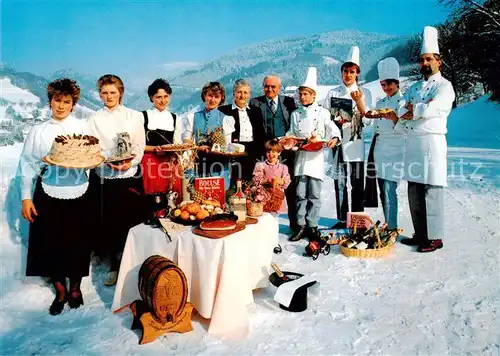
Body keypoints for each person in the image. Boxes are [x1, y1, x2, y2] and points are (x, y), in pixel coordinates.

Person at [17, 78, 91, 315]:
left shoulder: (82, 128)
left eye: (66, 101)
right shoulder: (38, 131)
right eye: (57, 100)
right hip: (48, 192)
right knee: (51, 244)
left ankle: (76, 289)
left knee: (77, 243)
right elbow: (27, 166)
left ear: (73, 104)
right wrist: (26, 198)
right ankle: (60, 289)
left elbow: (93, 154)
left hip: (79, 190)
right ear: (50, 101)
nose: (61, 106)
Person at [398, 26, 455, 253]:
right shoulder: (413, 86)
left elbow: (438, 107)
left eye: (429, 59)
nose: (424, 63)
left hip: (432, 141)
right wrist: (413, 110)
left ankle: (435, 236)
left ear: (439, 61)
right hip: (413, 142)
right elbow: (403, 107)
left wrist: (417, 109)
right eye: (421, 60)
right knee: (414, 190)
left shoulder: (445, 86)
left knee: (432, 189)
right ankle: (420, 233)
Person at [88, 74, 146, 286]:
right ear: (100, 94)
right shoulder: (93, 119)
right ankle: (114, 265)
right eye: (104, 92)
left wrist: (130, 163)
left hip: (130, 175)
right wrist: (105, 163)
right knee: (110, 224)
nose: (109, 96)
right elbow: (91, 149)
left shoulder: (134, 116)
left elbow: (139, 146)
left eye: (113, 92)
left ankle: (134, 266)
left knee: (132, 221)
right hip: (106, 176)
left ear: (121, 92)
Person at [285, 70, 341, 241]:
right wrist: (290, 140)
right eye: (300, 94)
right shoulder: (295, 114)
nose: (302, 97)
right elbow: (291, 133)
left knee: (315, 196)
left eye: (305, 94)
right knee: (300, 194)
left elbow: (333, 129)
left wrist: (335, 138)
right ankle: (301, 226)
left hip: (316, 159)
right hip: (301, 159)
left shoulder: (323, 113)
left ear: (313, 95)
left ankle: (313, 227)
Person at [323, 46, 373, 229]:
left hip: (355, 145)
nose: (348, 75)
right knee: (340, 184)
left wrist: (359, 109)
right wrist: (334, 123)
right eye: (345, 71)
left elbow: (368, 121)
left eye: (352, 72)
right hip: (338, 144)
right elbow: (325, 118)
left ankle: (358, 221)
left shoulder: (365, 93)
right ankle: (343, 219)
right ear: (341, 72)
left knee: (357, 184)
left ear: (357, 73)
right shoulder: (333, 93)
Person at [249, 75, 298, 231]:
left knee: (289, 187)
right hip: (266, 152)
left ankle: (294, 224)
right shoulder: (256, 102)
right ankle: (262, 226)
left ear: (279, 88)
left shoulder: (288, 102)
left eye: (273, 87)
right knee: (263, 188)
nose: (269, 89)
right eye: (266, 86)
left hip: (285, 152)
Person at [365, 58, 406, 229]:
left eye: (389, 84)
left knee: (390, 190)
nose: (386, 88)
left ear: (397, 83)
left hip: (396, 149)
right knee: (382, 190)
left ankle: (391, 227)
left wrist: (395, 118)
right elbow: (376, 128)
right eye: (383, 84)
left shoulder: (403, 102)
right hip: (379, 149)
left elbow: (406, 128)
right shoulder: (380, 103)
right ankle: (389, 222)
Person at [140, 79, 183, 214]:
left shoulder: (175, 118)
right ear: (151, 98)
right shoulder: (143, 116)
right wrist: (154, 149)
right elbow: (138, 145)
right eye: (158, 97)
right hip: (150, 162)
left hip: (170, 162)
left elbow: (177, 143)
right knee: (153, 200)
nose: (163, 100)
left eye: (166, 96)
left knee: (171, 200)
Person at [182, 82, 234, 189]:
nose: (212, 100)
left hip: (219, 167)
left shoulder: (226, 119)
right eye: (210, 95)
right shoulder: (192, 117)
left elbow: (228, 146)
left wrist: (215, 149)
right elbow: (186, 140)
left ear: (221, 99)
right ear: (204, 96)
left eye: (216, 97)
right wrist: (197, 148)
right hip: (198, 165)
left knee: (217, 202)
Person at [219, 79, 265, 184]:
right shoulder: (224, 110)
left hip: (252, 151)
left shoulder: (256, 111)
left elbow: (260, 133)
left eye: (245, 93)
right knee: (234, 181)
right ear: (234, 93)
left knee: (250, 182)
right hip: (234, 150)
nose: (242, 96)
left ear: (249, 95)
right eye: (239, 92)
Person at [252, 139, 291, 213]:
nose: (270, 154)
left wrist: (279, 181)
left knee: (276, 220)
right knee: (264, 218)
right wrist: (267, 181)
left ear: (279, 153)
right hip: (263, 197)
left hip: (277, 198)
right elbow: (256, 180)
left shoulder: (283, 167)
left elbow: (286, 181)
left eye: (273, 151)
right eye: (268, 151)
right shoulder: (260, 165)